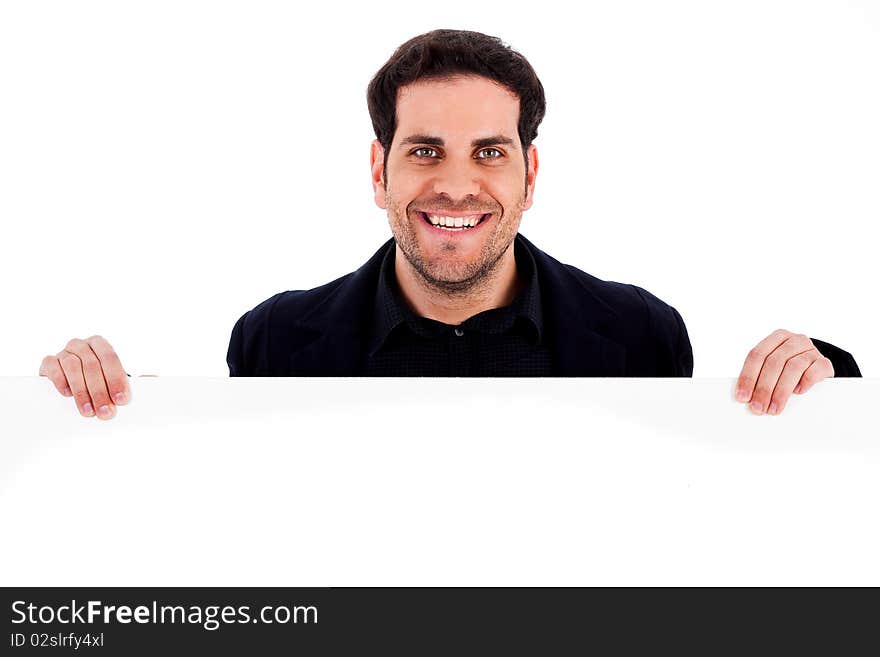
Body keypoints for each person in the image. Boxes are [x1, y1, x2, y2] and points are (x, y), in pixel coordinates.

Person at [38, 29, 861, 421]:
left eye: (491, 151)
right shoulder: (273, 344)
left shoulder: (642, 334)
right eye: (425, 150)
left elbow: (719, 511)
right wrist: (101, 416)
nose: (458, 184)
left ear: (530, 175)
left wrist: (825, 386)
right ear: (378, 171)